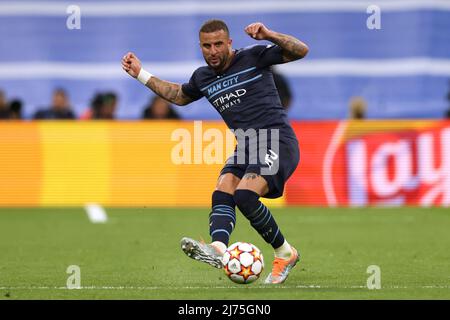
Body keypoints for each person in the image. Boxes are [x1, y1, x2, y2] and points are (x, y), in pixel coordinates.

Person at [122, 20, 309, 284]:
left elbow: (301, 50)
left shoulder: (254, 57)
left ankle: (284, 253)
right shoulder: (203, 77)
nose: (213, 51)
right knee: (224, 189)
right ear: (201, 47)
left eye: (218, 44)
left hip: (276, 140)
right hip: (246, 145)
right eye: (207, 46)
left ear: (229, 43)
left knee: (245, 195)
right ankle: (219, 249)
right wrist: (141, 74)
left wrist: (268, 34)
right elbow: (178, 95)